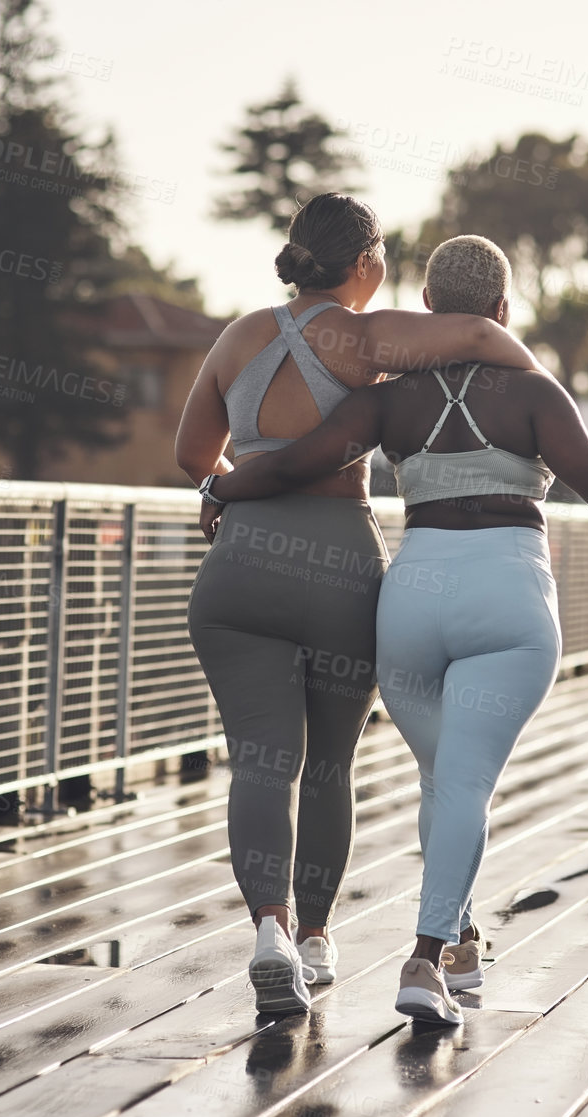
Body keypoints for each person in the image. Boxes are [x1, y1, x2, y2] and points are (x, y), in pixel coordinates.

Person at [201, 235, 588, 1024]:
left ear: (425, 308)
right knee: (463, 785)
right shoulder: (533, 394)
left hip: (411, 601)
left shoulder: (388, 400)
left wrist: (224, 490)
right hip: (507, 598)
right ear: (501, 310)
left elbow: (292, 464)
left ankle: (457, 940)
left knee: (442, 780)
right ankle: (424, 959)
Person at [176, 197, 555, 1017]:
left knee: (258, 761)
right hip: (337, 567)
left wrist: (227, 481)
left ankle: (268, 930)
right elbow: (484, 340)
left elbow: (188, 454)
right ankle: (316, 940)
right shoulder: (365, 336)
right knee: (326, 765)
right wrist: (534, 386)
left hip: (238, 566)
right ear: (363, 264)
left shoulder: (237, 334)